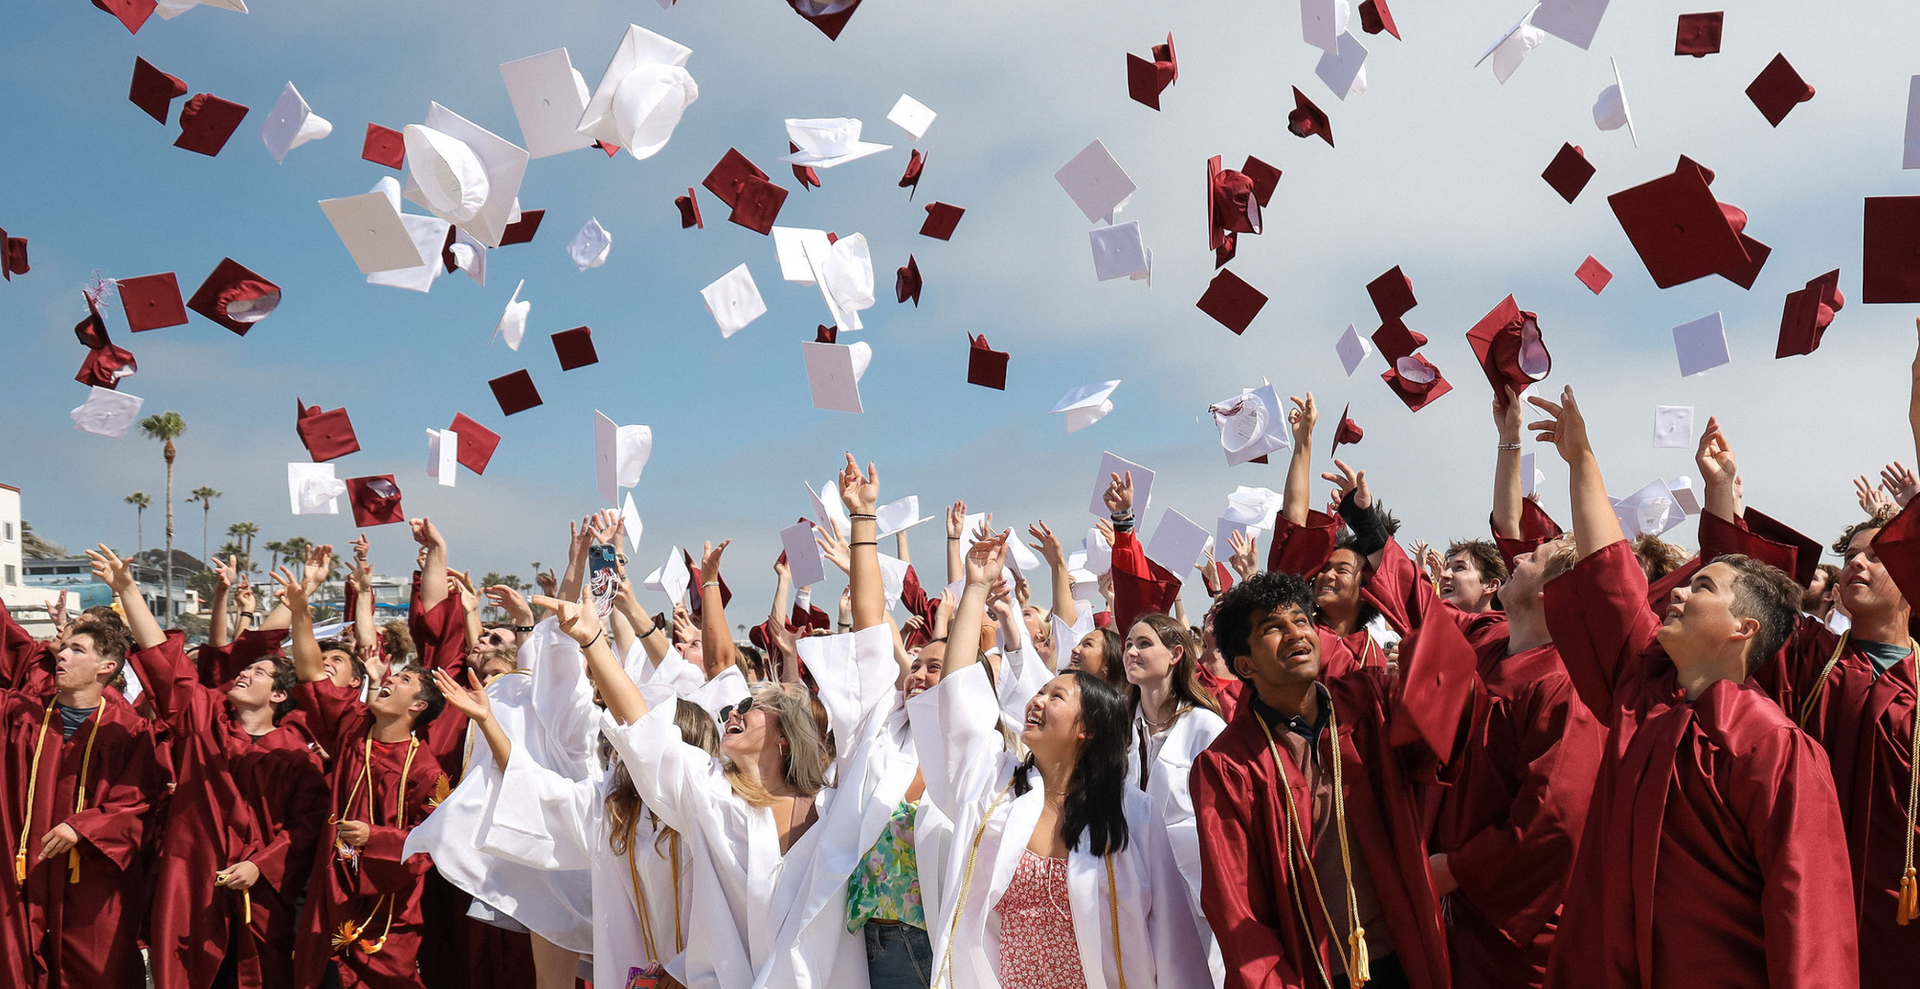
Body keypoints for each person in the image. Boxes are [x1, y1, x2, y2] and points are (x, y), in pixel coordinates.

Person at [1526, 386, 1858, 988]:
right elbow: (1608, 576)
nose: (1676, 590)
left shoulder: (1772, 749)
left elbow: (1809, 924)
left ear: (1743, 628)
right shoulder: (1643, 695)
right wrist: (1582, 460)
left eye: (1703, 587)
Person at [1354, 394, 1605, 989]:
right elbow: (1420, 607)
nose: (1516, 559)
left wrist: (1458, 868)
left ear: (1551, 593)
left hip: (1514, 930)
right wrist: (1369, 526)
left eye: (1532, 558)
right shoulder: (1487, 643)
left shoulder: (1565, 687)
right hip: (1455, 906)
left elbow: (1553, 818)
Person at [912, 528, 1207, 988]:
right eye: (1041, 691)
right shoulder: (998, 791)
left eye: (1056, 696)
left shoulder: (1132, 814)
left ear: (1087, 728)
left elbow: (1172, 941)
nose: (1037, 700)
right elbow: (957, 702)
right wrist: (974, 588)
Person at [1192, 542, 1478, 989]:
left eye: (1301, 620)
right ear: (1244, 664)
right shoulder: (1226, 766)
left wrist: (1374, 537)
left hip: (1402, 955)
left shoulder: (1369, 703)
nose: (1296, 634)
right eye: (1273, 628)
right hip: (1312, 972)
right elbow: (1236, 910)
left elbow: (1451, 699)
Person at [1741, 336, 1920, 984]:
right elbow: (1747, 599)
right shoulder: (1812, 660)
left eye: (1877, 554)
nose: (1857, 563)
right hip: (1815, 896)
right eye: (1851, 556)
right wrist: (1722, 495)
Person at [93, 544, 329, 989]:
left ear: (280, 696)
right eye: (247, 669)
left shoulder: (297, 757)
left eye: (260, 673)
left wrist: (261, 865)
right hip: (192, 882)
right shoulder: (205, 721)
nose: (245, 673)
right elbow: (165, 663)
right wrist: (127, 589)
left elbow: (305, 830)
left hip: (259, 898)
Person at [285, 534, 453, 989]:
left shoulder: (427, 772)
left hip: (386, 911)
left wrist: (375, 837)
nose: (388, 680)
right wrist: (301, 611)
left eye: (403, 681)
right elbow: (311, 673)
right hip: (331, 888)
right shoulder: (351, 726)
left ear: (418, 706)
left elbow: (434, 843)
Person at [0, 580, 165, 988]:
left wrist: (84, 827)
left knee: (94, 970)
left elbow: (138, 800)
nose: (61, 654)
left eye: (77, 650)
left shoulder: (130, 731)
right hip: (22, 869)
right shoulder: (20, 714)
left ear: (106, 667)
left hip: (91, 875)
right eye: (64, 647)